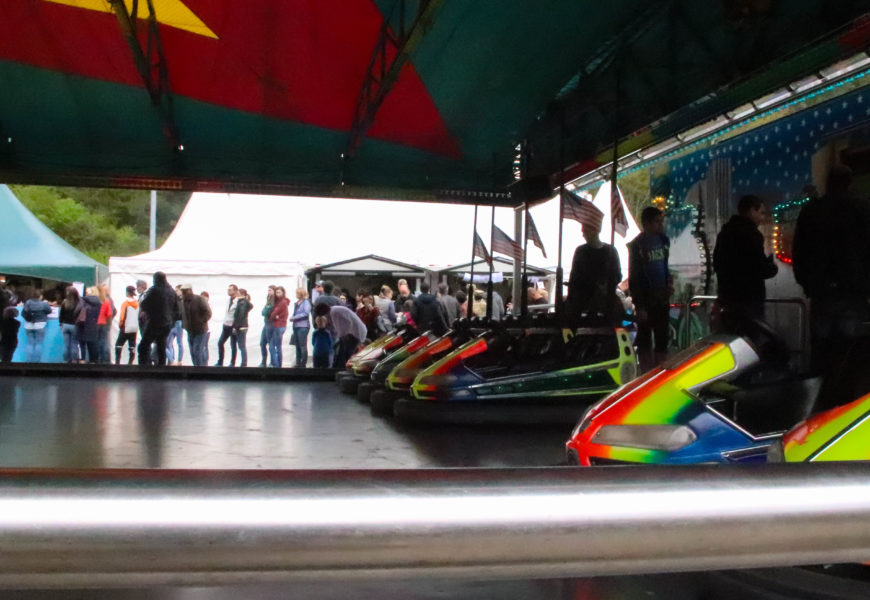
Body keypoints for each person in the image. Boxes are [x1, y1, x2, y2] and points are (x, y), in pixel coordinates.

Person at [793, 165, 870, 374]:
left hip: (821, 291)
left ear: (826, 184)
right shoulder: (862, 208)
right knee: (852, 351)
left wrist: (807, 282)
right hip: (854, 291)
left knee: (821, 349)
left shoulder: (811, 211)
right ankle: (847, 397)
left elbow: (799, 250)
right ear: (850, 183)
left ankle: (822, 395)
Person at [713, 195, 778, 324]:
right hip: (749, 300)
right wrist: (772, 267)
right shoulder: (752, 235)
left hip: (727, 298)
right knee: (751, 337)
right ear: (751, 211)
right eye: (761, 213)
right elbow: (758, 268)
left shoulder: (725, 232)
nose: (762, 218)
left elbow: (717, 264)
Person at [628, 207, 673, 368]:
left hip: (662, 296)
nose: (661, 225)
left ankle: (662, 371)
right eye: (656, 222)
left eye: (661, 221)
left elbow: (666, 266)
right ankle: (647, 372)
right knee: (645, 338)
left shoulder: (664, 240)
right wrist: (639, 305)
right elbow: (635, 276)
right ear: (646, 223)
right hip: (646, 298)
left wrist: (669, 282)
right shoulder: (638, 245)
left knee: (662, 337)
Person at [567, 222, 622, 327]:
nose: (583, 234)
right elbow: (574, 279)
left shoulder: (610, 251)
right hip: (586, 298)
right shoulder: (581, 251)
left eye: (585, 231)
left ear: (594, 231)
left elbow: (616, 276)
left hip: (602, 299)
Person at [137, 272, 178, 367]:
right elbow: (176, 309)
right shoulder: (172, 291)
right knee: (161, 346)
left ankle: (143, 367)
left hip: (155, 321)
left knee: (144, 345)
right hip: (167, 323)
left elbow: (144, 304)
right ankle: (162, 367)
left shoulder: (155, 290)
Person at [180, 284, 212, 366]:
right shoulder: (182, 301)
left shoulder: (199, 299)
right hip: (190, 330)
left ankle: (200, 369)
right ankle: (196, 368)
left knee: (197, 351)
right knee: (192, 352)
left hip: (200, 330)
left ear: (190, 290)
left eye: (185, 291)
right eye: (182, 291)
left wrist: (201, 321)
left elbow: (208, 312)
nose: (183, 293)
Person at [21, 289, 52, 363]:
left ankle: (28, 361)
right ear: (40, 296)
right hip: (40, 325)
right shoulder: (44, 304)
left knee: (30, 344)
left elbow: (24, 312)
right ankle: (36, 362)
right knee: (38, 343)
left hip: (28, 325)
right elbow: (49, 311)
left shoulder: (28, 303)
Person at [214, 284, 239, 366]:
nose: (228, 291)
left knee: (233, 344)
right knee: (220, 343)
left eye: (230, 290)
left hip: (233, 325)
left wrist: (235, 326)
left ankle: (232, 362)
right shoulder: (229, 300)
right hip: (226, 324)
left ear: (235, 291)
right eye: (228, 290)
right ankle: (220, 361)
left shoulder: (238, 301)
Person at [114, 285, 139, 365]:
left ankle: (117, 362)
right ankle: (130, 363)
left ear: (127, 292)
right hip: (134, 328)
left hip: (125, 327)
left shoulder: (125, 303)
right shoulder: (137, 303)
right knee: (132, 346)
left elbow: (122, 316)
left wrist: (120, 324)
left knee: (119, 344)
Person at [77, 287, 103, 363]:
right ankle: (94, 360)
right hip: (94, 325)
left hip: (83, 325)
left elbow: (77, 310)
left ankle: (82, 360)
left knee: (82, 344)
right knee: (93, 344)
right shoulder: (99, 302)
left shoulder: (83, 300)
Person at [229, 288, 253, 367]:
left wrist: (235, 326)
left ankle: (244, 363)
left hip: (241, 326)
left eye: (238, 293)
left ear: (241, 294)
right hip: (242, 326)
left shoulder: (242, 303)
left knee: (241, 345)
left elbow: (240, 316)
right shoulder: (243, 302)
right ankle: (243, 362)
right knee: (241, 345)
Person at [268, 286, 290, 367]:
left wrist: (273, 316)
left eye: (279, 292)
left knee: (272, 346)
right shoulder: (281, 302)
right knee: (277, 346)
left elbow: (274, 313)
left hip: (279, 325)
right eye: (276, 292)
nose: (277, 294)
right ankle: (278, 364)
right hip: (280, 325)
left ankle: (276, 364)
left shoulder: (282, 302)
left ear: (283, 293)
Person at [58, 286, 81, 364]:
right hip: (74, 325)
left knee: (67, 344)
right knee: (74, 343)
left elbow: (61, 314)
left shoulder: (65, 302)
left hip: (65, 325)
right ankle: (75, 360)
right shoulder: (79, 302)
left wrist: (60, 323)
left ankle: (67, 360)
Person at [290, 288, 312, 367]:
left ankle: (303, 362)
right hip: (296, 326)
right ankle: (298, 362)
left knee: (302, 345)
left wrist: (295, 317)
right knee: (297, 345)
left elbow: (306, 313)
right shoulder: (297, 303)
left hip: (303, 326)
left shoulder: (306, 302)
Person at [95, 283, 116, 364]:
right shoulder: (108, 300)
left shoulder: (98, 299)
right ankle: (105, 360)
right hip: (105, 323)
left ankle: (101, 359)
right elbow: (112, 312)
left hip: (97, 323)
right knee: (105, 341)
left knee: (100, 342)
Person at [165, 285, 184, 366]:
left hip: (178, 322)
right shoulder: (174, 300)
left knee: (179, 342)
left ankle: (178, 360)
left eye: (177, 290)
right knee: (168, 343)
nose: (175, 292)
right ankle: (172, 360)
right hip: (173, 323)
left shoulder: (182, 301)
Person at [258, 285, 275, 367]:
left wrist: (266, 310)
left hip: (271, 323)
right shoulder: (268, 299)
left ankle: (272, 361)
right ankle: (263, 361)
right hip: (266, 323)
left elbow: (267, 311)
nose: (269, 292)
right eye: (268, 290)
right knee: (262, 343)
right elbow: (263, 311)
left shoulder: (274, 301)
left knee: (270, 343)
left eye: (270, 290)